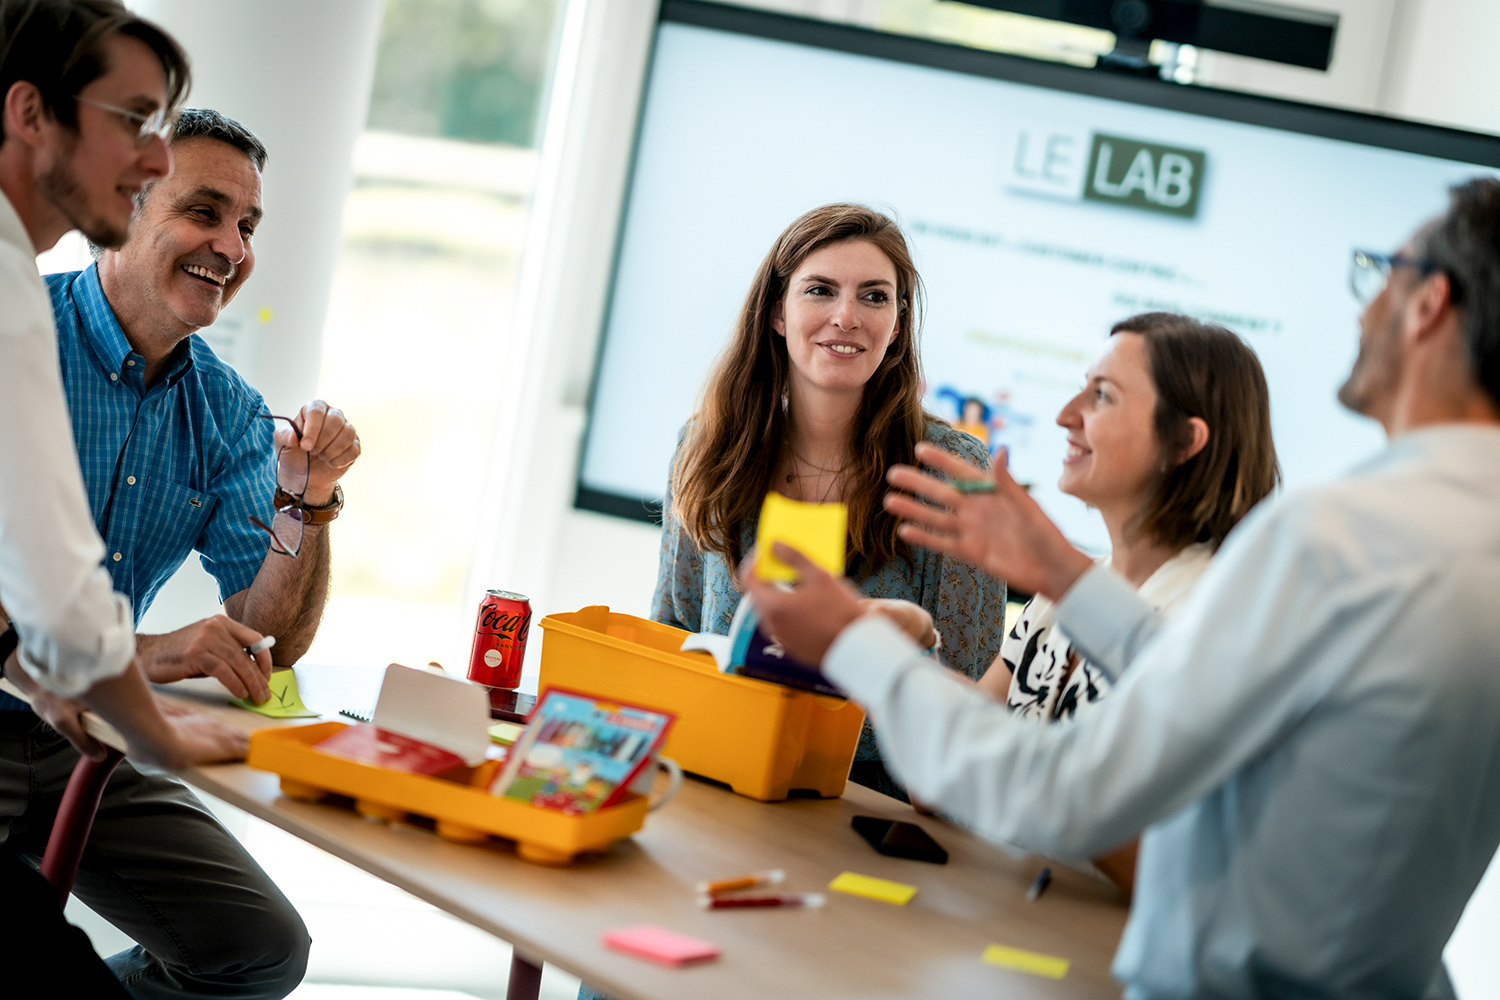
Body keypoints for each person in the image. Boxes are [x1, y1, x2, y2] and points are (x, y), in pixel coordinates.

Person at [743, 177, 1500, 999]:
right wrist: (1066, 577)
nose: (1362, 308)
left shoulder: (1336, 539)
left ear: (1429, 305)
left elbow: (1063, 795)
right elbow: (1197, 682)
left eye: (1382, 274)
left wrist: (848, 640)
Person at [0, 107, 357, 997]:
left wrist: (306, 499)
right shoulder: (17, 336)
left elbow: (270, 638)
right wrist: (152, 654)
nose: (232, 247)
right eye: (204, 212)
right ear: (121, 209)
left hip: (86, 735)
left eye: (248, 226)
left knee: (259, 948)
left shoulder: (229, 411)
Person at [0, 0, 248, 994]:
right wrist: (157, 731)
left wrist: (41, 674)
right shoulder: (16, 296)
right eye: (135, 120)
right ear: (31, 113)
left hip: (53, 713)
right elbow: (59, 594)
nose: (153, 157)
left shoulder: (228, 406)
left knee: (254, 942)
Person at [652, 202, 1006, 799]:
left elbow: (968, 691)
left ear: (897, 325)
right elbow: (673, 633)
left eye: (874, 297)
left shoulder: (953, 472)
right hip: (714, 775)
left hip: (870, 802)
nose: (847, 317)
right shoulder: (706, 447)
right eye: (820, 290)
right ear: (777, 313)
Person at [977, 313, 1279, 896]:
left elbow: (1174, 869)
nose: (1066, 415)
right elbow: (938, 779)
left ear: (1183, 442)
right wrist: (902, 647)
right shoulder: (1063, 591)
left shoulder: (1220, 617)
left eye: (1102, 396)